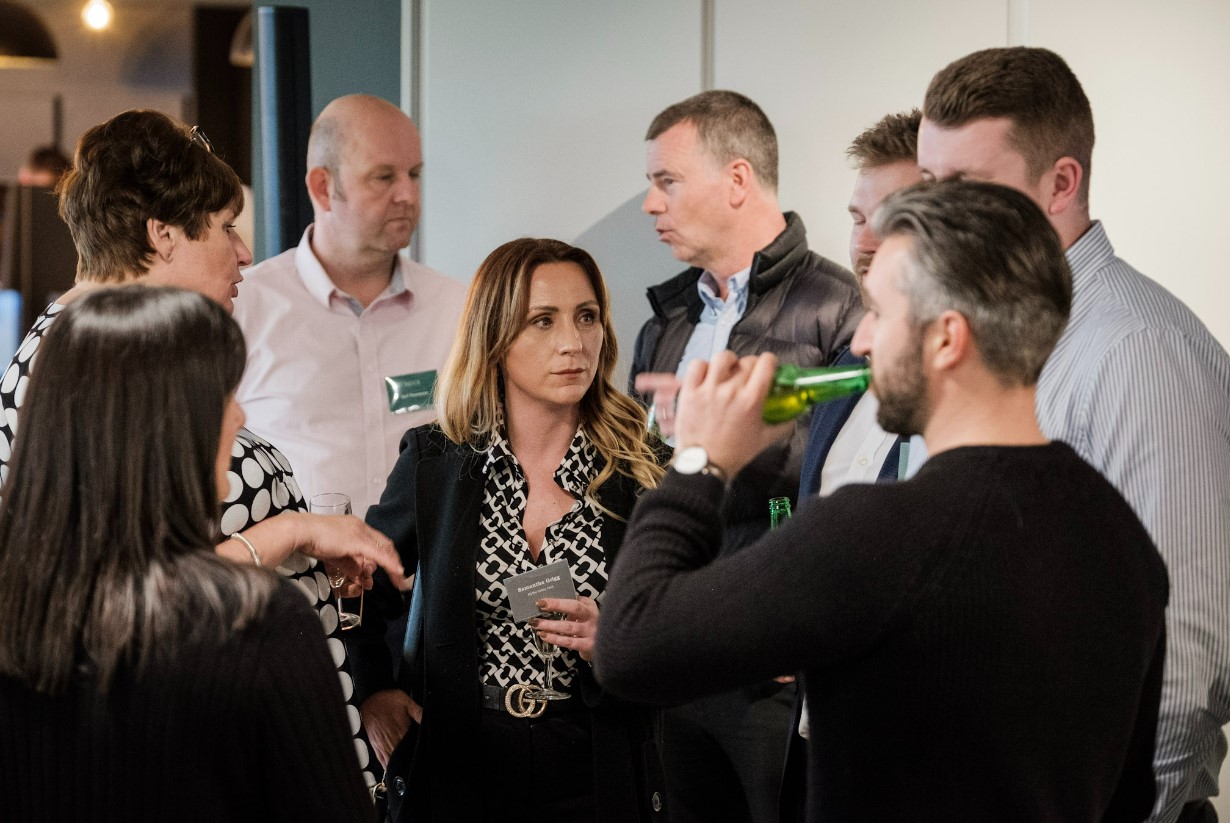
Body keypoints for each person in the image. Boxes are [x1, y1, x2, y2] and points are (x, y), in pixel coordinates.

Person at [596, 179, 1169, 823]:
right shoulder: (1120, 535)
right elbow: (1129, 800)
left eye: (878, 313)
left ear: (946, 339)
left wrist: (701, 460)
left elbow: (629, 646)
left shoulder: (880, 534)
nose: (862, 341)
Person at [0, 109, 403, 791]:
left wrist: (304, 562)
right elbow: (102, 600)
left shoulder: (139, 359)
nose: (244, 253)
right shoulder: (69, 370)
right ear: (162, 235)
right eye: (225, 228)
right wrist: (289, 533)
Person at [917, 47, 1230, 823]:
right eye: (928, 184)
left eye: (966, 186)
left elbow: (1184, 647)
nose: (934, 216)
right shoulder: (1005, 337)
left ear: (1061, 183)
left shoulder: (1136, 351)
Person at [0, 286, 373, 822]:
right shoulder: (254, 624)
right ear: (167, 430)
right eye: (222, 395)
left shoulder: (17, 612)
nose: (239, 417)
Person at [346, 238, 668, 823]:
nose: (573, 343)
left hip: (598, 760)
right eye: (543, 321)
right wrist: (372, 692)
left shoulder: (643, 468)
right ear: (493, 338)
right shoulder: (436, 461)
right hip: (462, 766)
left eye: (586, 317)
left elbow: (688, 624)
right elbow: (361, 585)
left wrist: (618, 639)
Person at [629, 88, 863, 823]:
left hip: (772, 667)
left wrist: (808, 617)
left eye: (667, 181)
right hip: (678, 654)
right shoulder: (665, 321)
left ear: (737, 180)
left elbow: (850, 491)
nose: (650, 204)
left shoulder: (842, 310)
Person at [233, 94, 466, 519]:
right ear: (323, 188)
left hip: (422, 562)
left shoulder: (458, 309)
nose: (408, 194)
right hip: (294, 562)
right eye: (383, 177)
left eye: (414, 174)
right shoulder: (242, 307)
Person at [797, 109, 921, 499]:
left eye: (888, 222)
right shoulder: (846, 366)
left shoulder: (975, 391)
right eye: (858, 220)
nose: (863, 244)